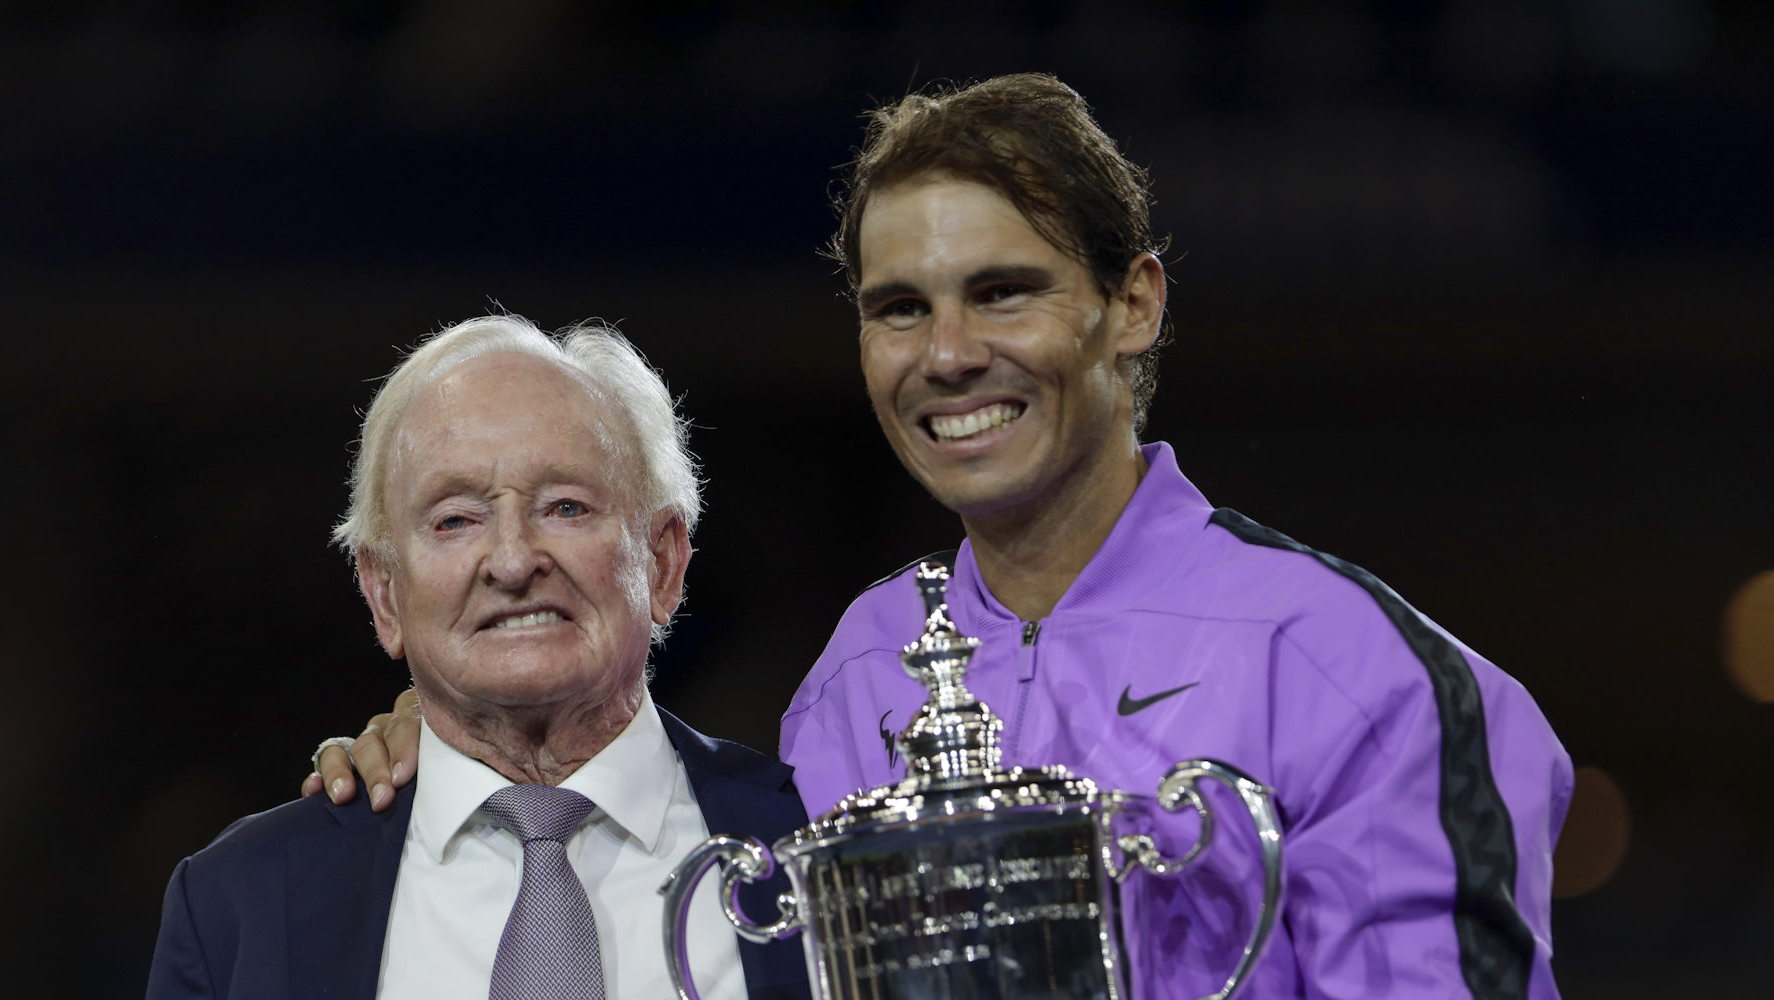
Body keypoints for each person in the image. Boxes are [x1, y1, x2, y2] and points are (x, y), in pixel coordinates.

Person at [311, 74, 1571, 999]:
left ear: (1131, 304)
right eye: (899, 307)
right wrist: (471, 735)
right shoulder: (853, 681)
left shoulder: (1353, 667)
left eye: (1003, 290)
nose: (949, 354)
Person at [148, 316, 809, 1000]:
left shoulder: (813, 840)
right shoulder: (240, 903)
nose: (515, 560)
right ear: (383, 595)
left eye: (566, 507)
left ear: (664, 561)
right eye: (456, 520)